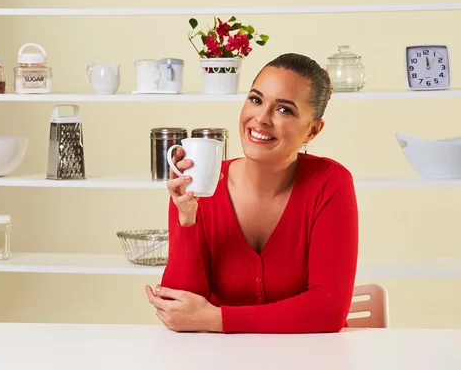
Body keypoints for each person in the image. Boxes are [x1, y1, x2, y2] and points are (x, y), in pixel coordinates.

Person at [145, 53, 359, 334]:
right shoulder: (199, 185)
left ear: (312, 131)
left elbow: (328, 310)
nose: (261, 118)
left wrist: (215, 319)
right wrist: (186, 218)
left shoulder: (330, 183)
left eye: (284, 110)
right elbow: (180, 310)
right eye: (256, 100)